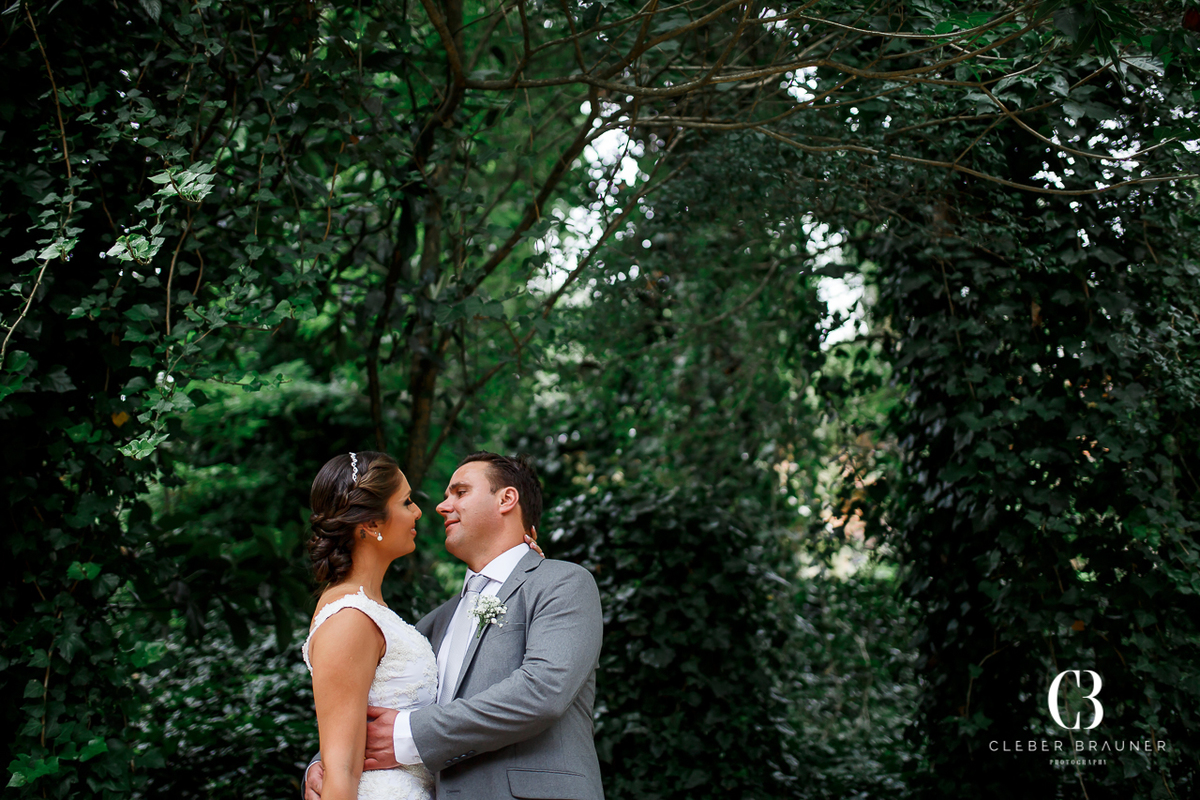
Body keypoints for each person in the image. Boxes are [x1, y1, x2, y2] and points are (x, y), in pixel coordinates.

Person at [306, 452, 605, 800]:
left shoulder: (563, 583)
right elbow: (361, 700)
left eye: (460, 492)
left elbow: (543, 691)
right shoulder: (434, 623)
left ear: (506, 499)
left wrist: (410, 735)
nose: (439, 507)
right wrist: (322, 767)